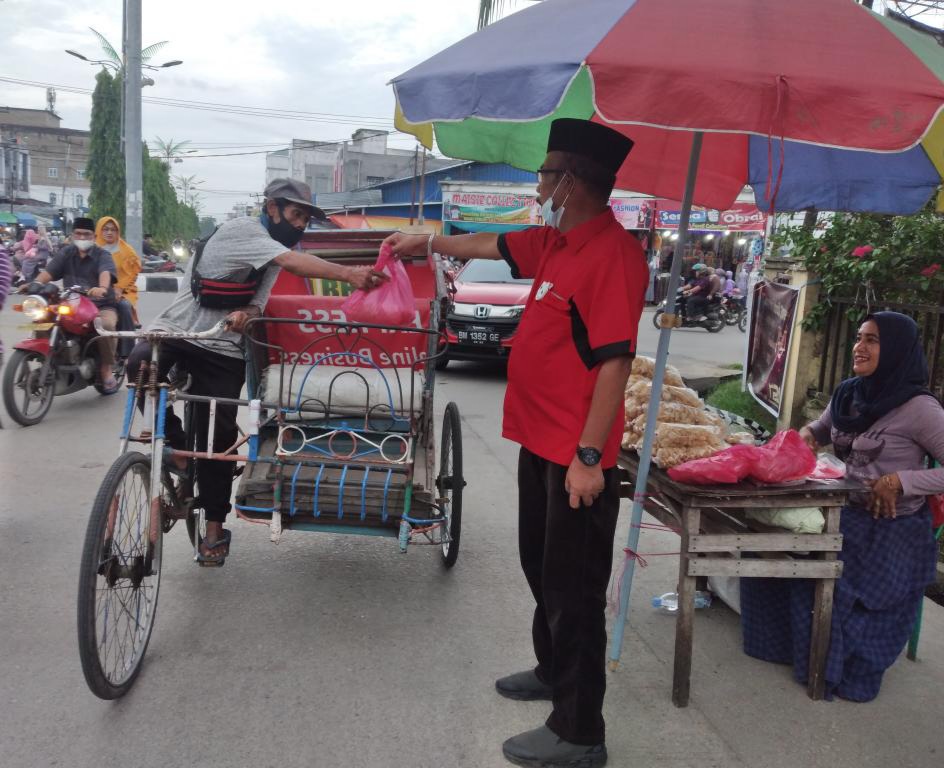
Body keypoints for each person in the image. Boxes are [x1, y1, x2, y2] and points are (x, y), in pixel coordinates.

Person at [385, 118, 645, 768]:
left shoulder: (612, 255)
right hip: (540, 440)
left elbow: (614, 363)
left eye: (545, 172)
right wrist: (426, 242)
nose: (537, 184)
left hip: (577, 457)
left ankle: (580, 731)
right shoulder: (558, 243)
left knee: (574, 588)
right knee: (539, 563)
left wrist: (590, 458)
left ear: (573, 181)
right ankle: (552, 668)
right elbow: (491, 242)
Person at [127, 178, 385, 567]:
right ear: (271, 208)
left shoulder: (271, 255)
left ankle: (214, 528)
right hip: (179, 330)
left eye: (304, 220)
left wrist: (245, 314)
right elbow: (292, 262)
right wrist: (349, 275)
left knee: (219, 437)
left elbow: (258, 306)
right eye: (295, 215)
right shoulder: (243, 230)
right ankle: (177, 452)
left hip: (223, 348)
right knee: (139, 365)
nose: (299, 226)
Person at [741, 312, 944, 701]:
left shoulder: (920, 409)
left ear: (898, 351)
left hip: (892, 530)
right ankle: (795, 651)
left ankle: (840, 664)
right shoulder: (851, 391)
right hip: (842, 510)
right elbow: (821, 428)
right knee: (775, 548)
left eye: (872, 340)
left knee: (835, 582)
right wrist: (801, 438)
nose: (859, 347)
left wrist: (902, 480)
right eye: (858, 337)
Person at [23, 217, 121, 392]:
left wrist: (101, 288)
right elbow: (49, 272)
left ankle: (106, 368)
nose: (82, 237)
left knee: (105, 325)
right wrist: (35, 283)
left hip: (100, 304)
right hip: (73, 302)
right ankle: (47, 357)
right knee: (44, 316)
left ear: (94, 236)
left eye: (86, 234)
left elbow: (105, 273)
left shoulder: (102, 254)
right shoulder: (66, 253)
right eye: (78, 233)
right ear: (73, 234)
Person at [95, 216, 142, 352]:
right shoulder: (92, 249)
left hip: (123, 291)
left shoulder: (127, 251)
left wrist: (120, 288)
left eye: (113, 230)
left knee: (124, 306)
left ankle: (127, 353)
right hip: (96, 291)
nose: (109, 233)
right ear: (99, 230)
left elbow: (132, 273)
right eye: (105, 229)